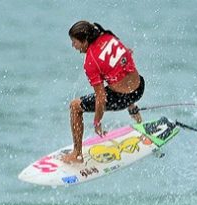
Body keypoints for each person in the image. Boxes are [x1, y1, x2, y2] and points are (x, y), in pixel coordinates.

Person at [62, 21, 145, 164]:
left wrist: (97, 122)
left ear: (85, 40)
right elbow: (127, 54)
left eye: (74, 42)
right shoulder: (108, 37)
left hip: (121, 98)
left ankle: (77, 154)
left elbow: (101, 97)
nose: (73, 46)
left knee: (75, 106)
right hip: (139, 87)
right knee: (114, 73)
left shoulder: (90, 62)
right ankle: (133, 109)